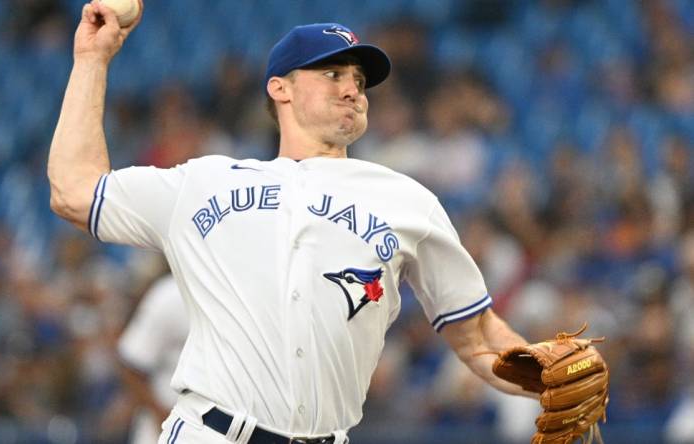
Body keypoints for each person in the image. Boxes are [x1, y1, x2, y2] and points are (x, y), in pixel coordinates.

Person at [48, 2, 537, 442]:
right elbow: (73, 190)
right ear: (279, 87)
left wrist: (546, 376)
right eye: (333, 74)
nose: (353, 90)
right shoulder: (204, 182)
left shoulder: (408, 200)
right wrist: (92, 61)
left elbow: (478, 337)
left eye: (360, 82)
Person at [118, 273, 189, 444]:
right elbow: (130, 366)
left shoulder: (239, 295)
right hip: (163, 421)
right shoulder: (169, 295)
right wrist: (160, 415)